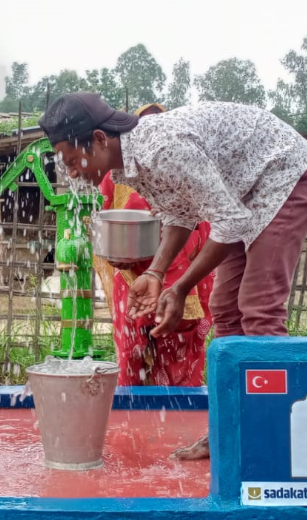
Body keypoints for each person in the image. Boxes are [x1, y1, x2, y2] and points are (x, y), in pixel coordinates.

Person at [39, 93, 307, 460]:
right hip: (244, 192)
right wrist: (157, 272)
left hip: (284, 175)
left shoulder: (160, 149)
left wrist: (181, 286)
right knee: (225, 307)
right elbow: (181, 215)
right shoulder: (129, 163)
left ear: (98, 139)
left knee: (259, 307)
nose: (73, 172)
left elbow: (229, 221)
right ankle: (231, 433)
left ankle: (276, 443)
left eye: (74, 160)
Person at [95, 103, 213, 387]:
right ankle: (132, 421)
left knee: (181, 350)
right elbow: (104, 220)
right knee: (132, 351)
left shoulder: (184, 164)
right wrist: (114, 255)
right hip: (132, 274)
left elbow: (206, 224)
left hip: (185, 274)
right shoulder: (117, 174)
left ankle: (179, 417)